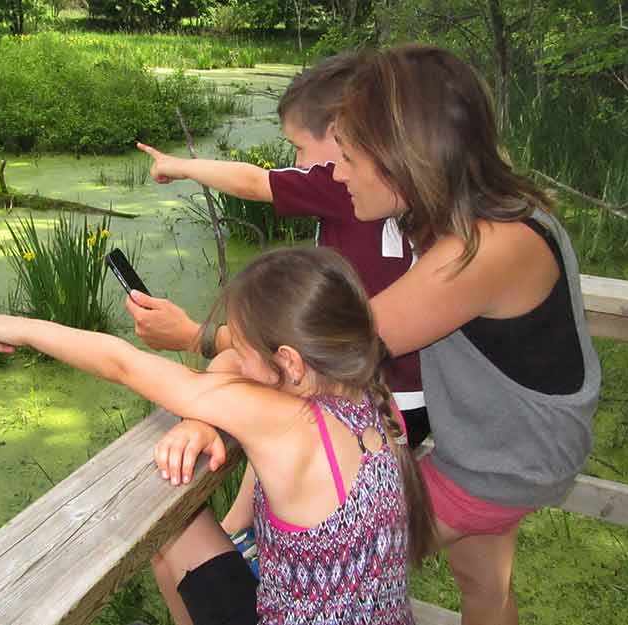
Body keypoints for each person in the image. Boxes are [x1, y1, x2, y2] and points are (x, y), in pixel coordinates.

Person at [158, 45, 603, 625]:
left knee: (306, 559)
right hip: (512, 453)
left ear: (399, 156)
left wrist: (202, 353)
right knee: (484, 585)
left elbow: (322, 350)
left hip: (497, 468)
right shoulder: (496, 214)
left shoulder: (480, 251)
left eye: (346, 157)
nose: (336, 175)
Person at [0, 246, 436, 625]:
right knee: (182, 530)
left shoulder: (288, 423)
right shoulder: (373, 394)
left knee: (171, 531)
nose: (231, 349)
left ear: (289, 362)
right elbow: (233, 365)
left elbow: (123, 363)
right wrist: (201, 417)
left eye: (244, 343)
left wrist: (21, 326)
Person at [131, 50, 430, 452]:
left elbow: (254, 182)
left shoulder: (338, 187)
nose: (296, 163)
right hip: (416, 402)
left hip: (371, 398)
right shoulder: (408, 191)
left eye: (300, 148)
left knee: (232, 367)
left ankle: (200, 432)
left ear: (341, 134)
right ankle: (238, 511)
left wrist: (181, 167)